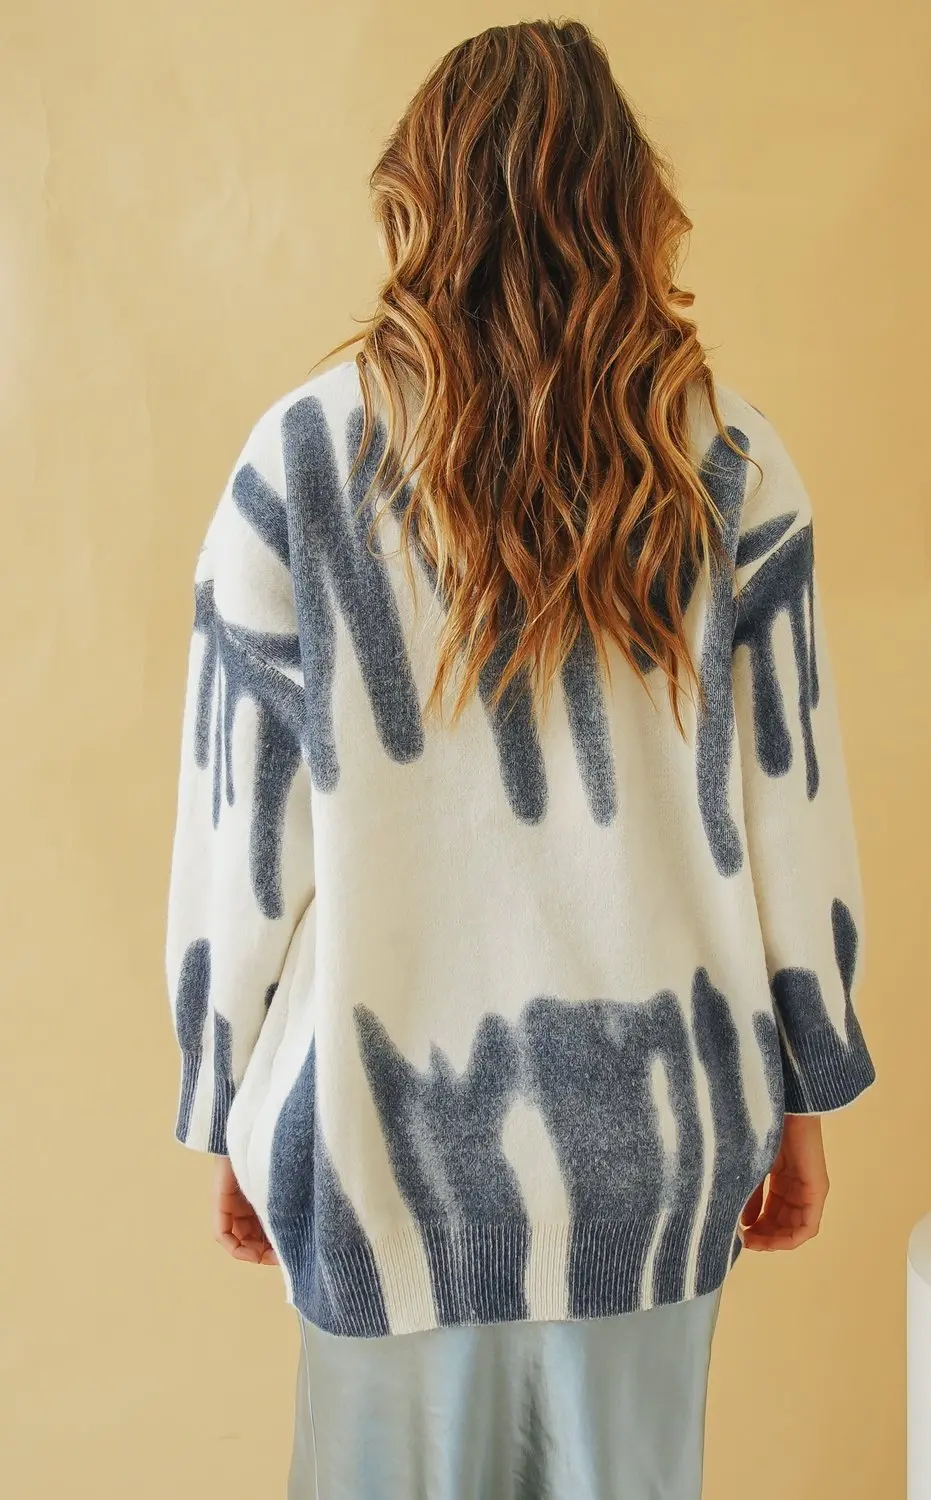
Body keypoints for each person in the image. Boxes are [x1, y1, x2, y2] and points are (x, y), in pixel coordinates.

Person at [164, 18, 876, 1500]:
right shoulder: (731, 461)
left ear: (419, 195)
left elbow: (241, 839)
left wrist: (226, 1099)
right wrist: (803, 1094)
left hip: (376, 1130)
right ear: (629, 202)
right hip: (663, 1137)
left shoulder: (297, 462)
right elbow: (791, 813)